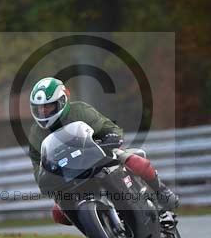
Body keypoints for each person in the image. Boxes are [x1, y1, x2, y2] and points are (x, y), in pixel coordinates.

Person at [26, 77, 179, 227]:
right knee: (58, 213)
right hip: (68, 176)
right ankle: (98, 231)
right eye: (39, 108)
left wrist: (111, 137)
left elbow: (109, 129)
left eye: (48, 106)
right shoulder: (35, 133)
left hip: (99, 156)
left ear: (62, 101)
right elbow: (38, 166)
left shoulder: (80, 110)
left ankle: (161, 195)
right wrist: (43, 177)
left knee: (136, 163)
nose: (43, 112)